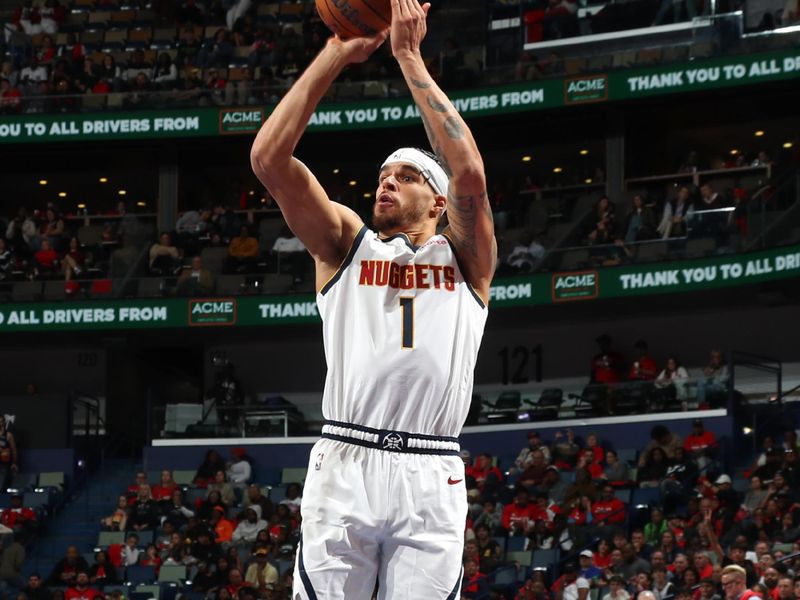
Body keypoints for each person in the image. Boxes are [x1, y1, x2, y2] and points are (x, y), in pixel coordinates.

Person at [249, 0, 495, 597]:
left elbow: (469, 176)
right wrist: (335, 51)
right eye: (382, 175)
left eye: (404, 176)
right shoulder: (344, 246)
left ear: (437, 203)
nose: (385, 181)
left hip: (431, 468)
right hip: (347, 457)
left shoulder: (465, 259)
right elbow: (269, 161)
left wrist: (408, 56)